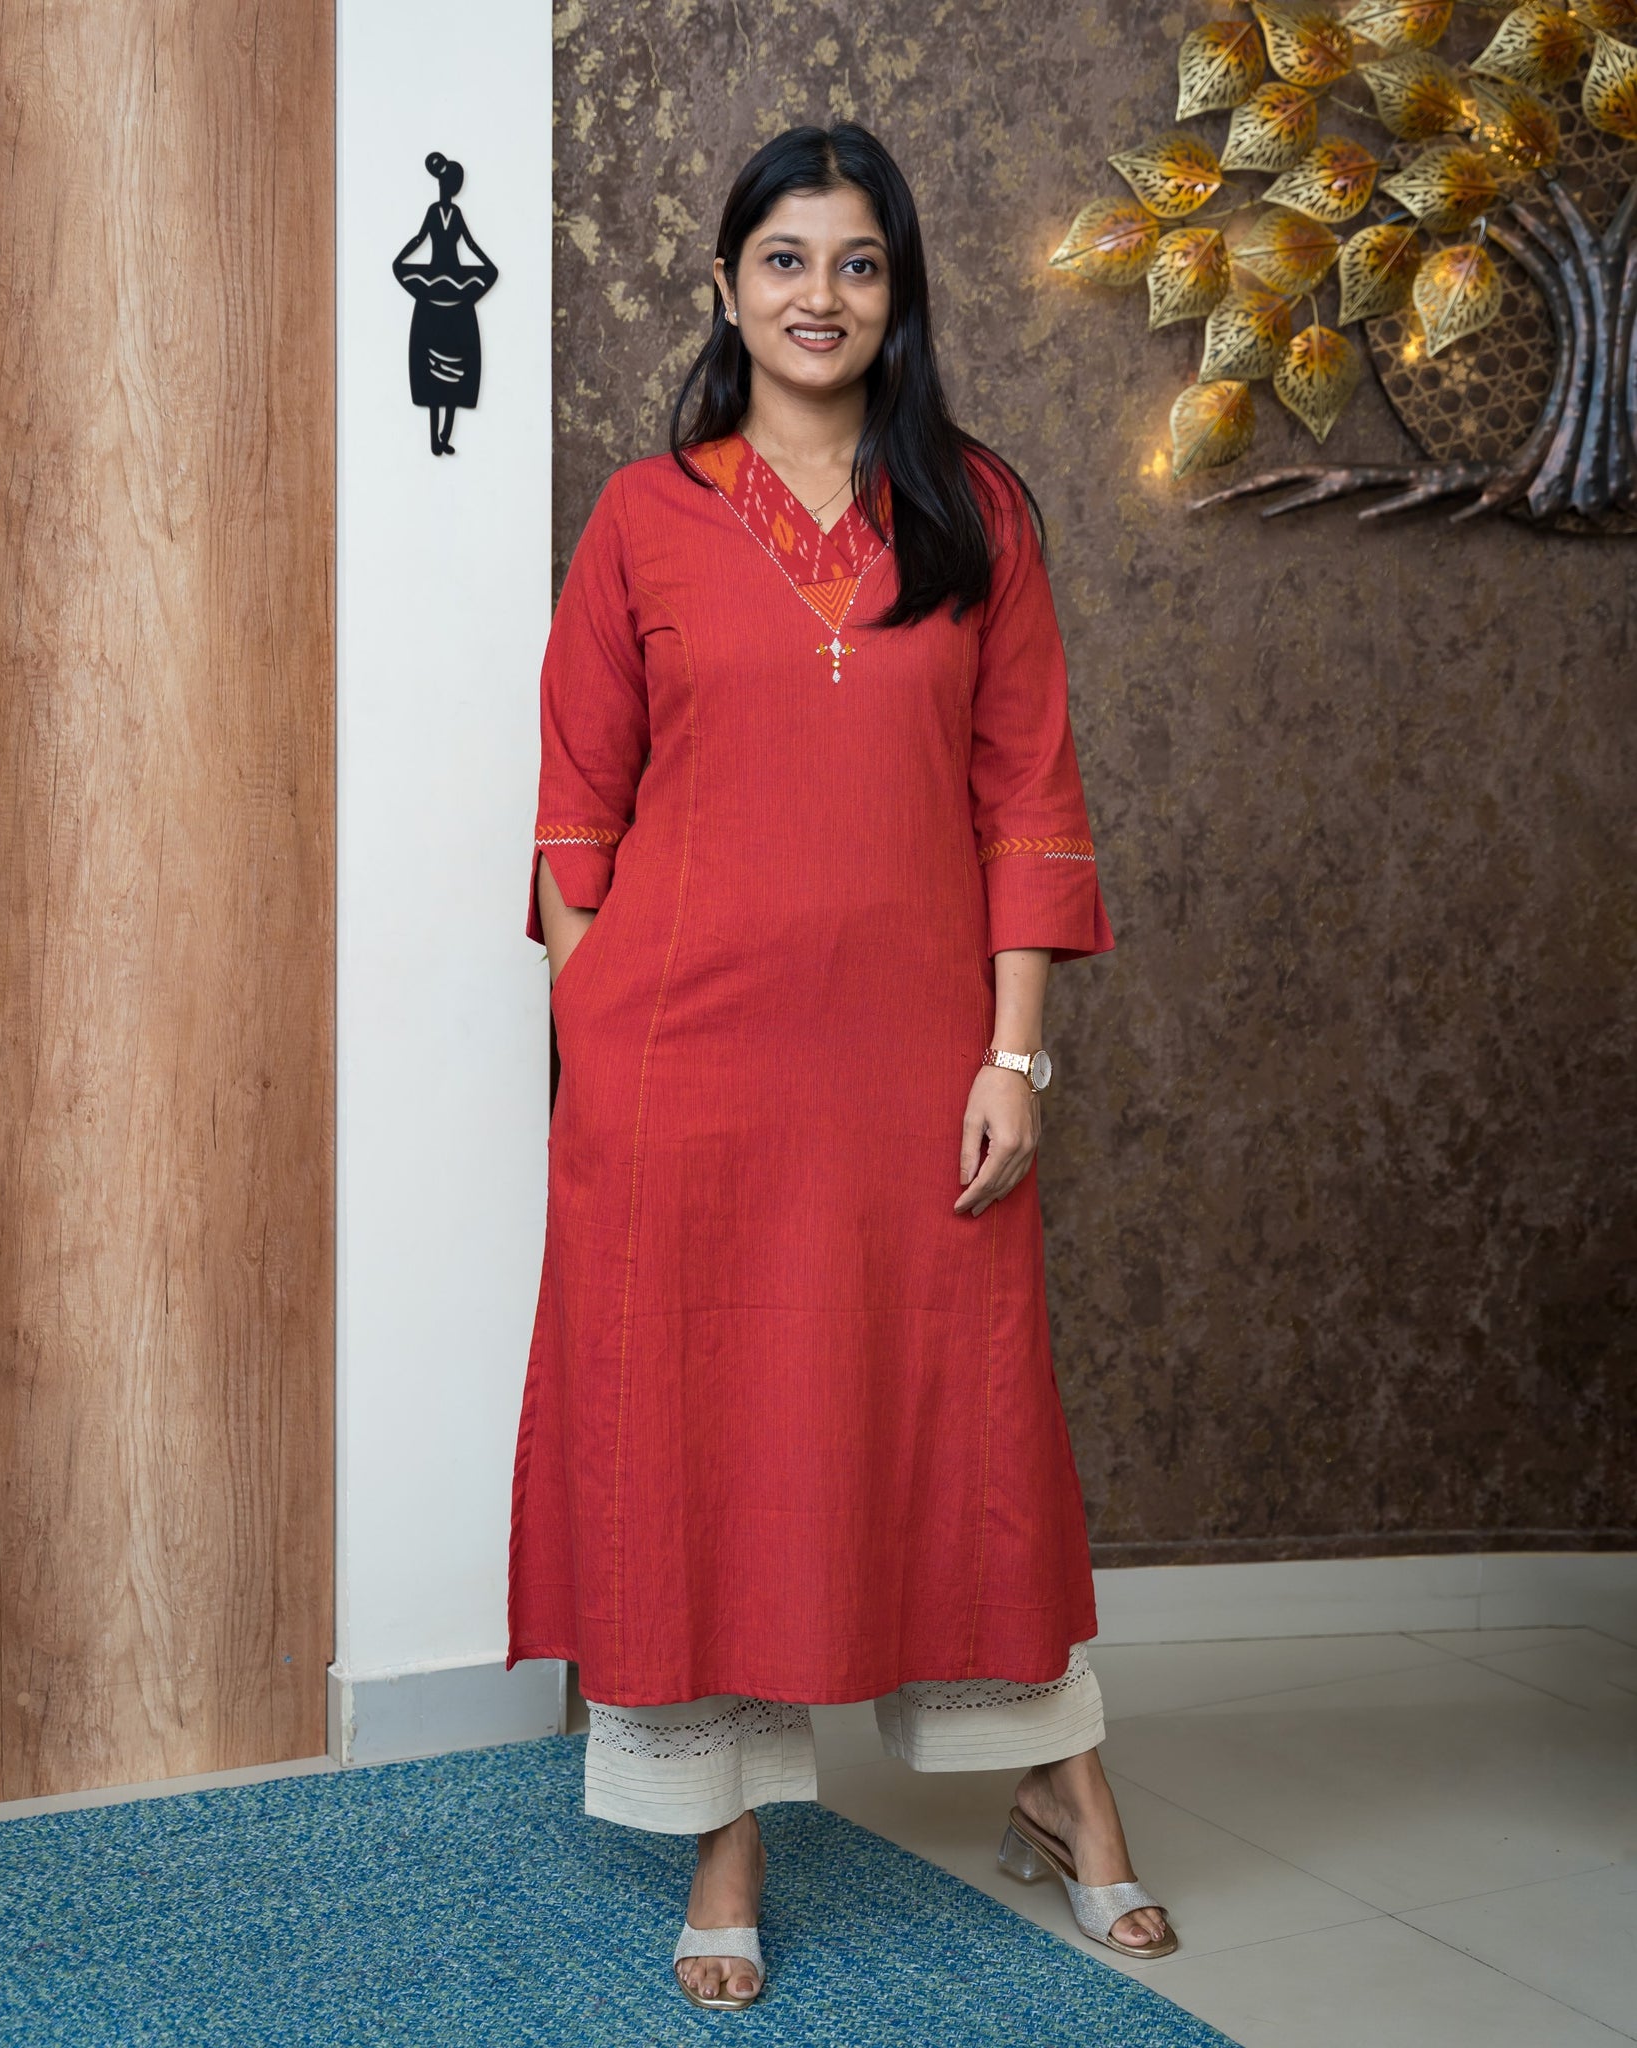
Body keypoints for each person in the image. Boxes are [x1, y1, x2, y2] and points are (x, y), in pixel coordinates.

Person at [506, 120, 1177, 2010]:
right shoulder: (645, 515)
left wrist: (1013, 1055)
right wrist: (600, 1037)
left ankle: (1056, 1779)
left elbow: (1028, 796)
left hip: (910, 1070)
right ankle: (722, 1838)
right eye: (785, 259)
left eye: (857, 262)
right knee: (702, 1430)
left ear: (900, 294)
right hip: (682, 1069)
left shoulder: (975, 511)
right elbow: (573, 804)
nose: (821, 295)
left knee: (966, 1424)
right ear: (725, 289)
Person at [390, 152, 498, 456]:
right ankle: (434, 440)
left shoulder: (457, 214)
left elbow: (470, 243)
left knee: (455, 373)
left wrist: (488, 264)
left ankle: (445, 437)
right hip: (436, 280)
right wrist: (401, 259)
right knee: (432, 378)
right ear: (444, 184)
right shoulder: (434, 211)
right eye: (451, 184)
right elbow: (420, 238)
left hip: (455, 282)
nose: (451, 189)